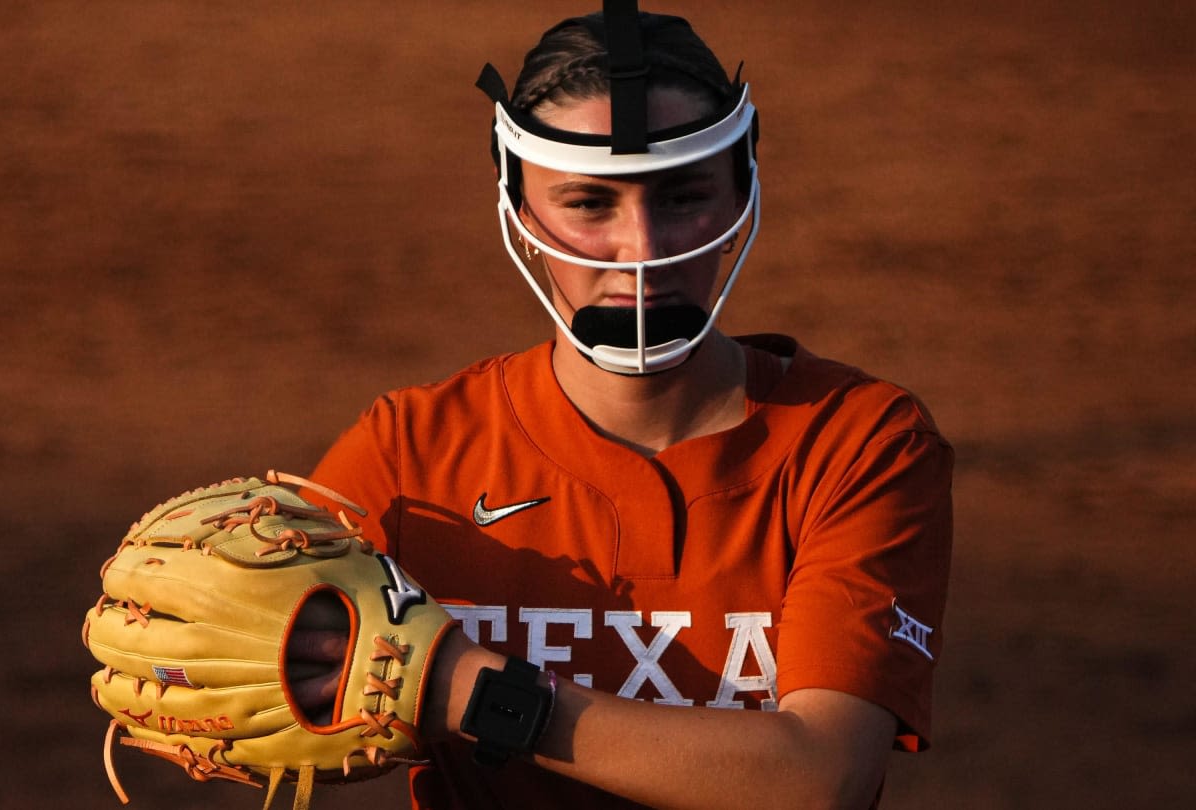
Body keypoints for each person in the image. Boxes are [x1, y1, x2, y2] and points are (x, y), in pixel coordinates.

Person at [295, 2, 953, 808]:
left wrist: (458, 689)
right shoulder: (410, 456)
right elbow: (251, 675)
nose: (642, 250)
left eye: (681, 198)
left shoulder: (859, 444)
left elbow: (819, 780)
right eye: (589, 204)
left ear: (742, 189)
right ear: (521, 212)